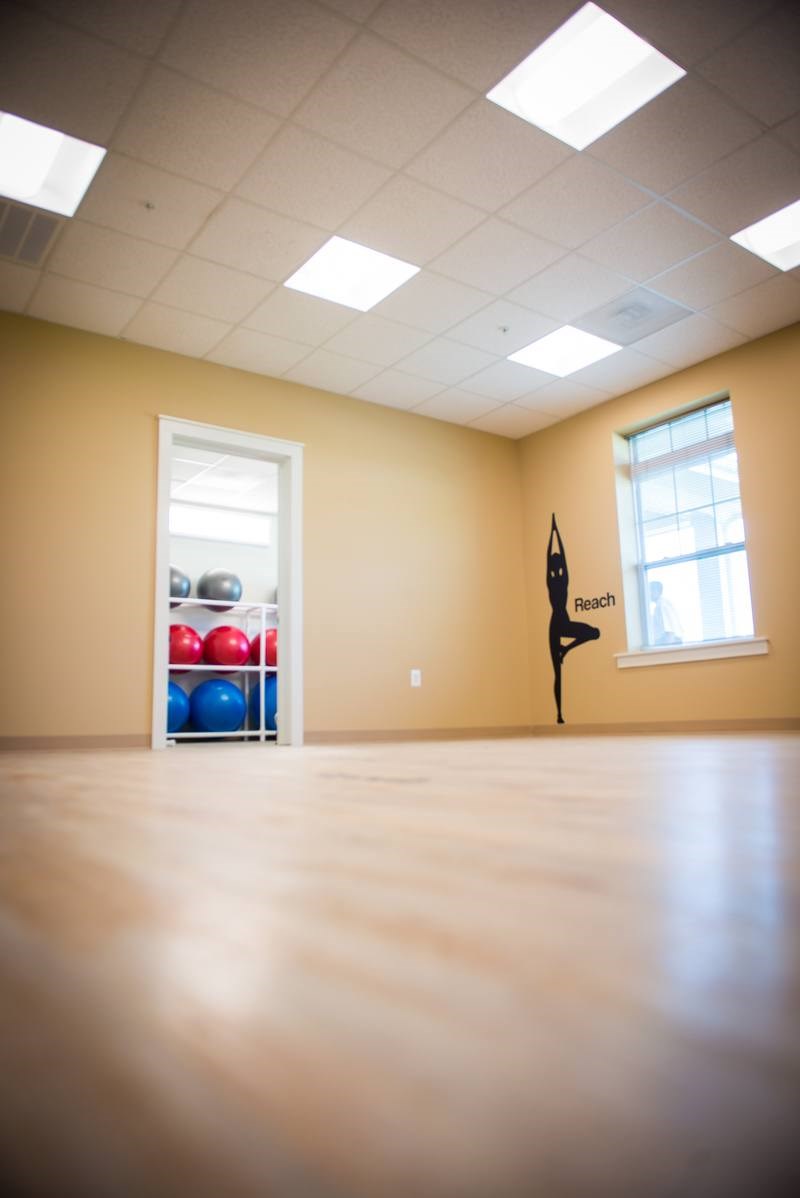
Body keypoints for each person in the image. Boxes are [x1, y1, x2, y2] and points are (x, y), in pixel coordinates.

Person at [547, 514, 599, 724]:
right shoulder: (551, 581)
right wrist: (553, 533)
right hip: (556, 624)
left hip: (563, 622)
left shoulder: (561, 580)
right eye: (556, 567)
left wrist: (556, 533)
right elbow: (548, 558)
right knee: (557, 673)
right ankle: (559, 714)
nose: (559, 570)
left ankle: (566, 649)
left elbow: (563, 559)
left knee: (594, 632)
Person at [649, 580, 682, 645]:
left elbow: (669, 632)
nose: (648, 593)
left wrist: (666, 651)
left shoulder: (661, 606)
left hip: (668, 644)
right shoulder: (664, 603)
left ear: (657, 591)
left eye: (650, 590)